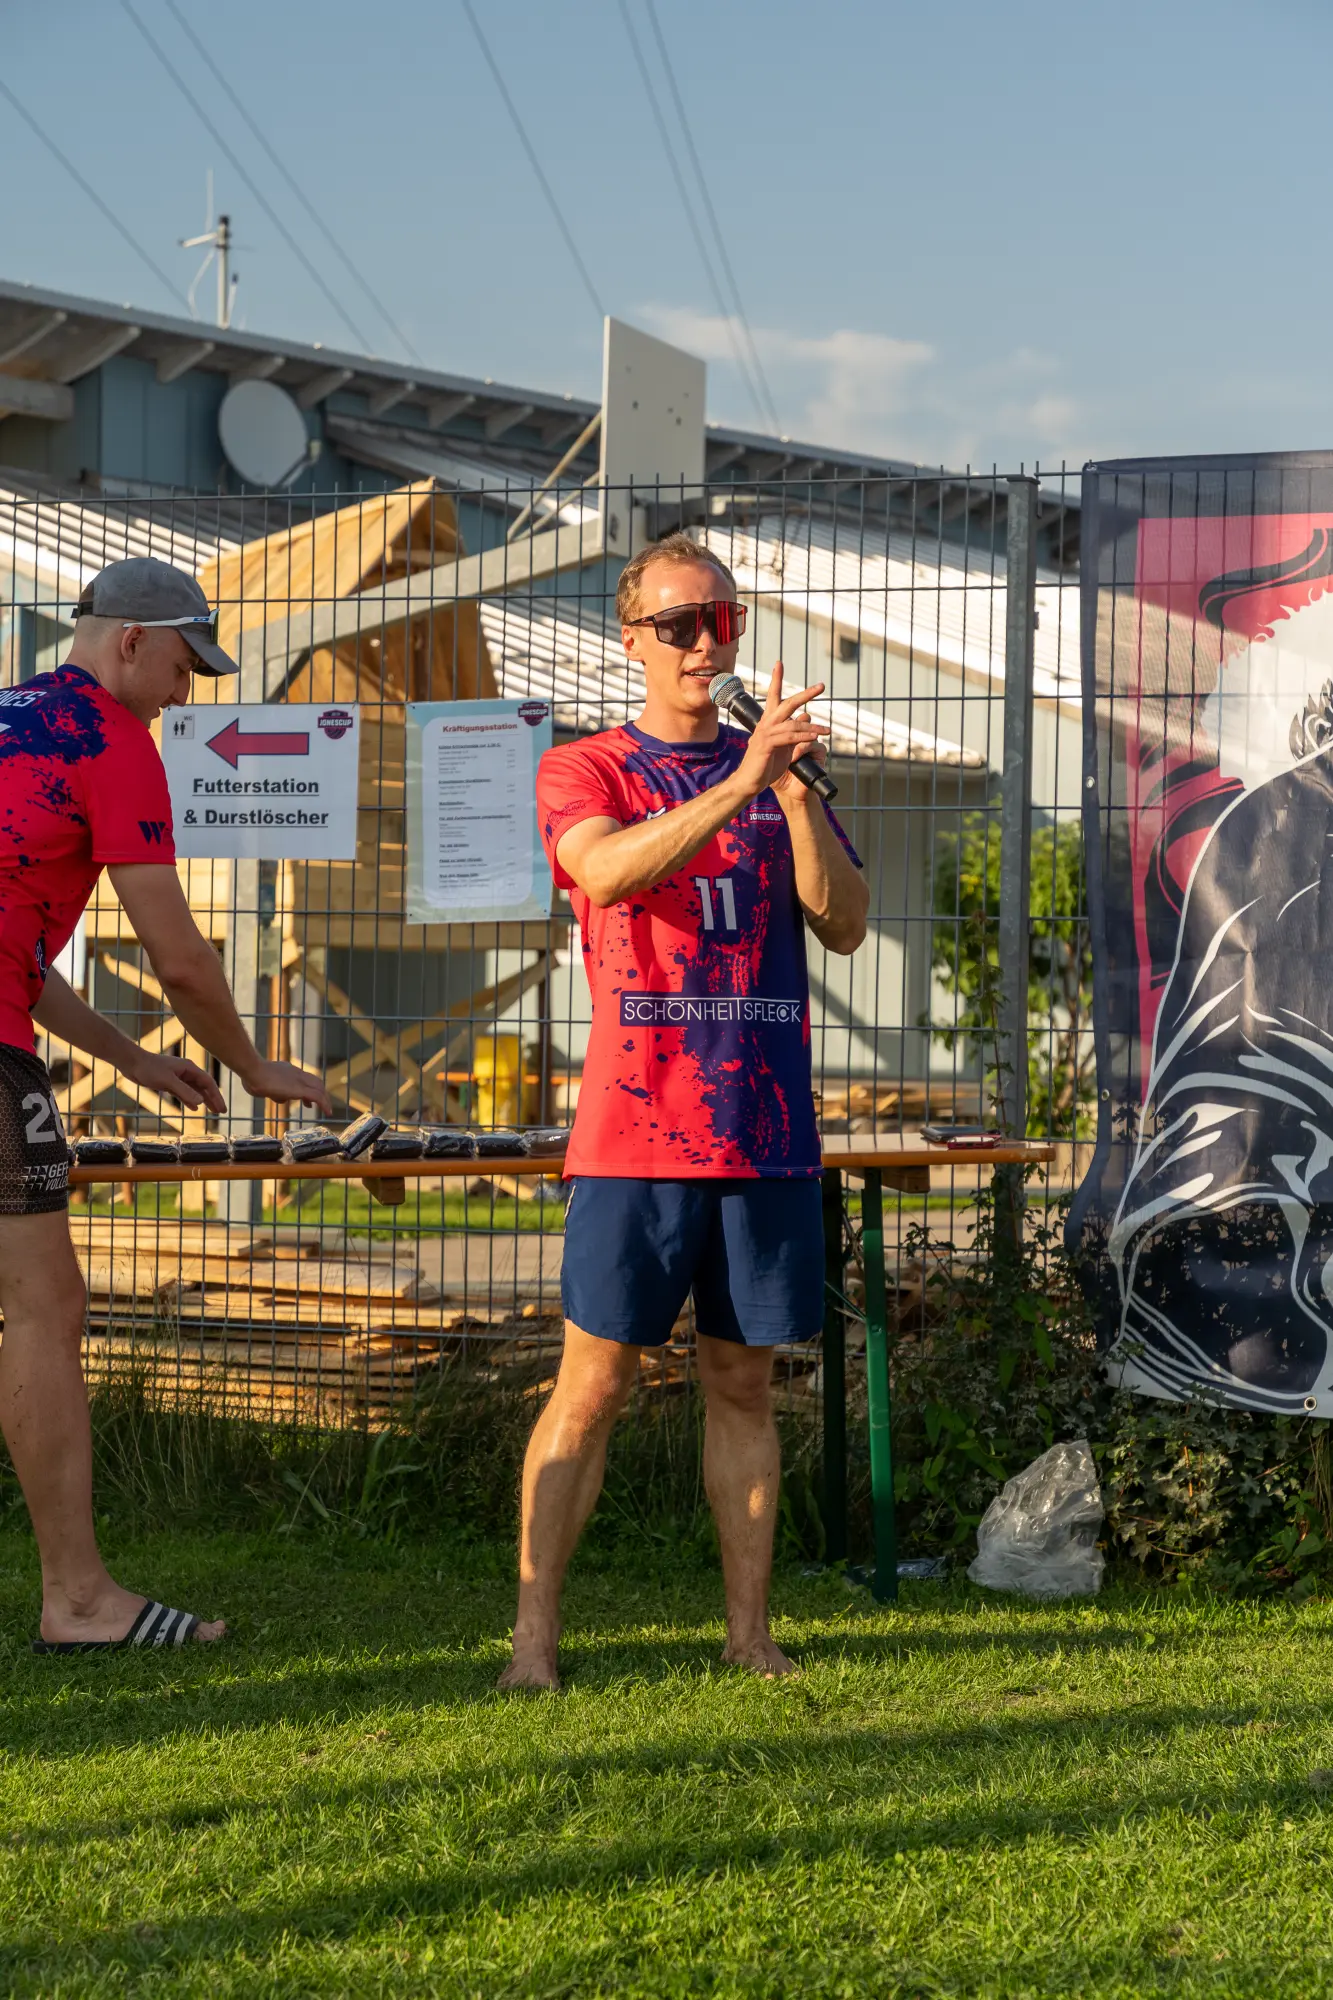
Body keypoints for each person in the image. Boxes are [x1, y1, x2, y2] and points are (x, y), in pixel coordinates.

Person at [501, 532, 868, 1689]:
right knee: (593, 1385)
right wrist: (740, 783)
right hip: (635, 1130)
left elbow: (844, 921)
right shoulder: (589, 766)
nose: (706, 642)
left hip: (764, 1133)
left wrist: (791, 794)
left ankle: (749, 1634)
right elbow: (605, 871)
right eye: (678, 623)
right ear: (632, 640)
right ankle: (532, 1641)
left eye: (723, 619)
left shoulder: (774, 773)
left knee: (743, 1382)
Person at [0, 556, 331, 1653]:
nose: (188, 694)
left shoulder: (10, 716)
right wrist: (252, 1065)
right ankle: (78, 1599)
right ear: (132, 641)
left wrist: (132, 1062)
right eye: (187, 666)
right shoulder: (110, 741)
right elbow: (181, 956)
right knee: (45, 1308)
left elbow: (19, 954)